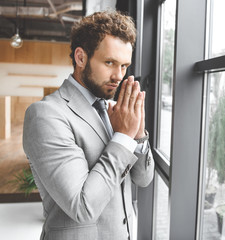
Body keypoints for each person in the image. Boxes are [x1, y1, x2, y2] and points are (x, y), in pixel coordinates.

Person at [23, 10, 154, 240]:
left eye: (124, 66)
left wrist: (138, 133)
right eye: (110, 63)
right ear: (81, 58)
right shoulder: (45, 115)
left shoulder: (115, 110)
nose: (119, 76)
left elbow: (143, 179)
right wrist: (123, 136)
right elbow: (82, 207)